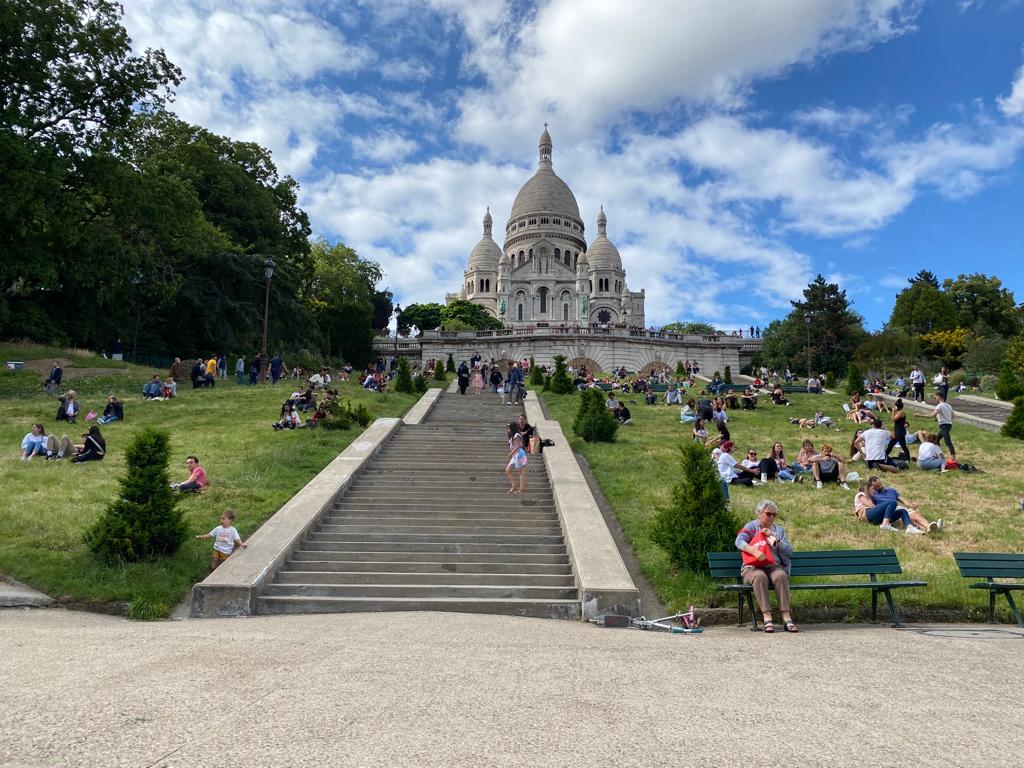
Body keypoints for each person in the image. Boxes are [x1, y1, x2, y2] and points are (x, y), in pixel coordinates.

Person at [735, 500, 797, 633]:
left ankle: (786, 616)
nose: (772, 517)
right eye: (768, 514)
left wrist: (777, 541)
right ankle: (767, 616)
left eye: (774, 515)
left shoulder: (779, 530)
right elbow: (739, 541)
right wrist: (754, 551)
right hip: (752, 567)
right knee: (759, 576)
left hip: (773, 566)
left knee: (781, 576)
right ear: (759, 514)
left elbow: (789, 552)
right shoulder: (751, 527)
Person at [868, 476, 939, 533]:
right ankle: (929, 527)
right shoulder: (873, 495)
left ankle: (928, 528)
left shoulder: (891, 490)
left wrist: (911, 505)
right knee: (913, 516)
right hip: (887, 512)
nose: (880, 486)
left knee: (916, 514)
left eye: (880, 484)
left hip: (898, 508)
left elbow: (903, 500)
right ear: (872, 487)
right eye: (877, 486)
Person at [854, 481, 919, 533]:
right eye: (872, 489)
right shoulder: (861, 494)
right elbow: (871, 506)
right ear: (866, 489)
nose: (874, 491)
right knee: (892, 502)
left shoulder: (870, 497)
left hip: (875, 519)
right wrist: (886, 508)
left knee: (902, 511)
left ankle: (910, 528)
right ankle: (885, 524)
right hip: (867, 515)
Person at [930, 393, 956, 462]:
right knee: (936, 439)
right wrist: (944, 417)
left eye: (935, 397)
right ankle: (938, 455)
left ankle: (954, 459)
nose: (934, 398)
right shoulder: (948, 405)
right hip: (948, 425)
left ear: (939, 397)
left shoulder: (939, 406)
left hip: (944, 426)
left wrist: (920, 415)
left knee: (948, 442)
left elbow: (932, 415)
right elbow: (953, 416)